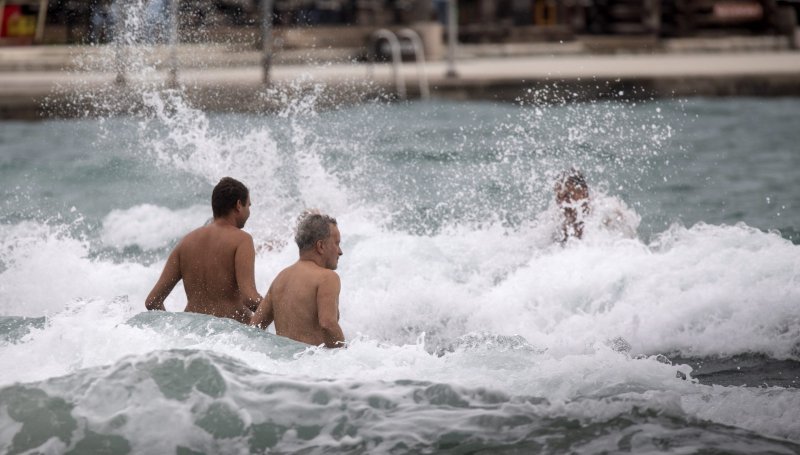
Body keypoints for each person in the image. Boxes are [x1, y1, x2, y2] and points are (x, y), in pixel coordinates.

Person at [144, 177, 262, 324]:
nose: (249, 212)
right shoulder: (242, 240)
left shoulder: (186, 242)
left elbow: (152, 301)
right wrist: (278, 309)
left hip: (191, 332)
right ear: (238, 205)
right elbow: (249, 298)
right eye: (248, 206)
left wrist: (175, 329)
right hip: (229, 336)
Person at [251, 211, 345, 348]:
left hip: (282, 363)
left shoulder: (281, 278)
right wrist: (346, 355)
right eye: (336, 243)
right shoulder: (327, 278)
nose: (340, 251)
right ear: (320, 246)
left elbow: (254, 326)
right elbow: (327, 324)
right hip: (312, 364)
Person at [554, 168, 590, 242]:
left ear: (584, 193)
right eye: (559, 197)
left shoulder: (603, 214)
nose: (563, 202)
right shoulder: (558, 221)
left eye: (568, 195)